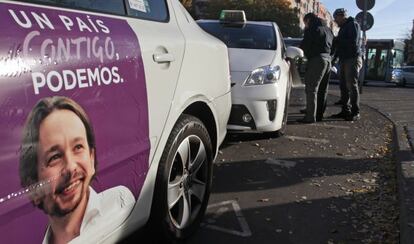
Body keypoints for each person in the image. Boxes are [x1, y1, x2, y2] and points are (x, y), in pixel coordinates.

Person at [19, 96, 135, 244]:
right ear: (33, 188)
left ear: (91, 158)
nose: (71, 166)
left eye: (78, 147)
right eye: (54, 157)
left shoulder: (119, 201)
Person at [298, 13, 334, 123]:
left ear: (308, 20)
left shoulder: (312, 28)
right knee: (323, 89)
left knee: (311, 89)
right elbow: (335, 45)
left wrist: (302, 54)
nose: (305, 25)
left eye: (305, 23)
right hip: (328, 60)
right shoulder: (328, 30)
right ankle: (318, 114)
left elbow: (305, 45)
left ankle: (310, 117)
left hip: (316, 60)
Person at [330, 8, 363, 121]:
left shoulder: (353, 25)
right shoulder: (343, 28)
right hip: (344, 59)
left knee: (351, 85)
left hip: (352, 58)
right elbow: (340, 46)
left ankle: (355, 112)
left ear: (342, 16)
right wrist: (334, 59)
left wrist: (338, 40)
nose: (335, 21)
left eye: (336, 19)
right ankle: (345, 110)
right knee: (343, 86)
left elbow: (353, 42)